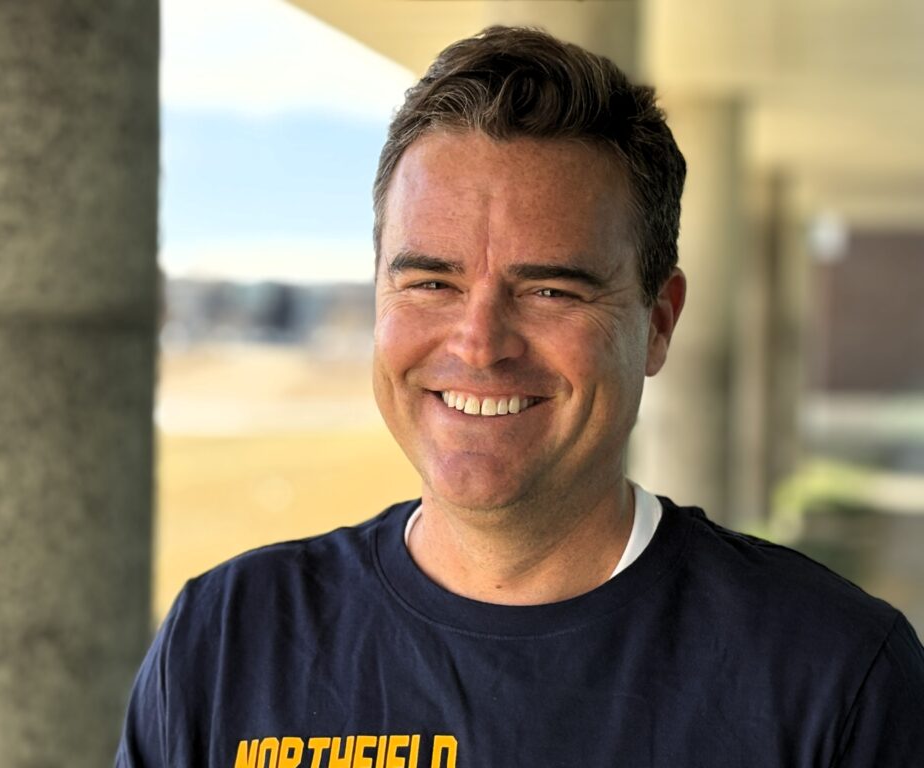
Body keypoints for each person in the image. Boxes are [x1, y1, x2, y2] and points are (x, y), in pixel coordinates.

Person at [117, 26, 924, 768]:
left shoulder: (836, 675)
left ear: (658, 323)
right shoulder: (225, 642)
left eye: (550, 291)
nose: (479, 344)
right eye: (431, 282)